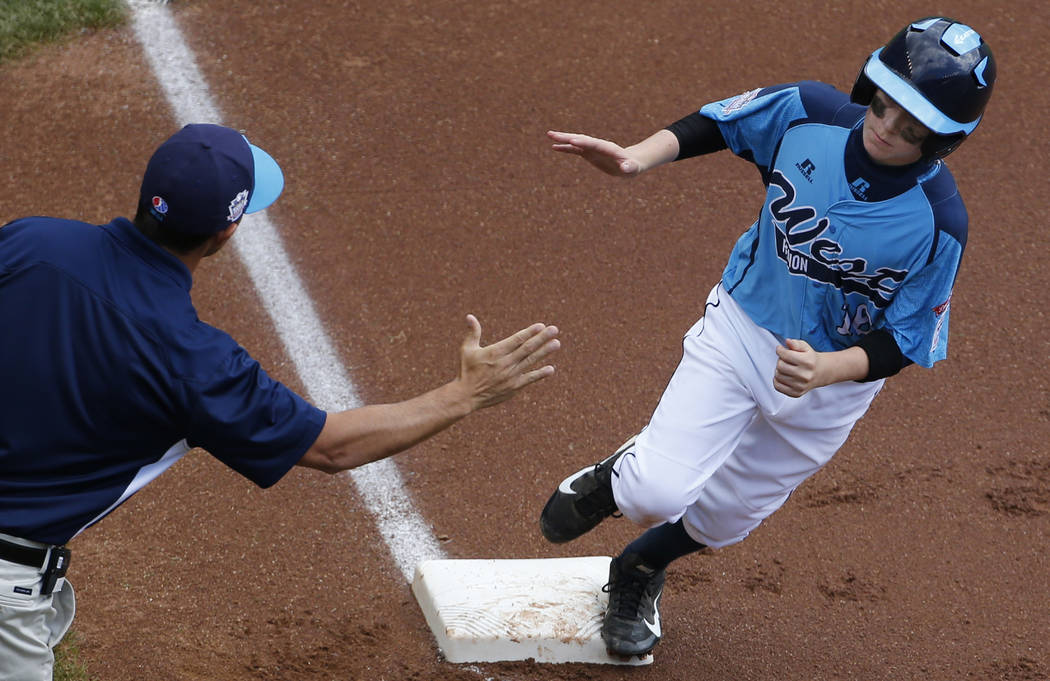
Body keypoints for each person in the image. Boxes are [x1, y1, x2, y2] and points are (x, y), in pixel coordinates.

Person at [0, 123, 561, 680]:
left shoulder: (28, 241)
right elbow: (331, 447)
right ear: (226, 234)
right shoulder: (196, 361)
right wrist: (466, 393)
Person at [539, 17, 995, 658]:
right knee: (655, 492)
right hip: (741, 327)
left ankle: (638, 570)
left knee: (724, 520)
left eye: (911, 126)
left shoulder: (939, 222)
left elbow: (908, 339)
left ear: (942, 140)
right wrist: (638, 157)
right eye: (886, 104)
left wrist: (830, 370)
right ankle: (622, 473)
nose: (886, 127)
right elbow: (722, 123)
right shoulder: (810, 112)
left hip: (831, 384)